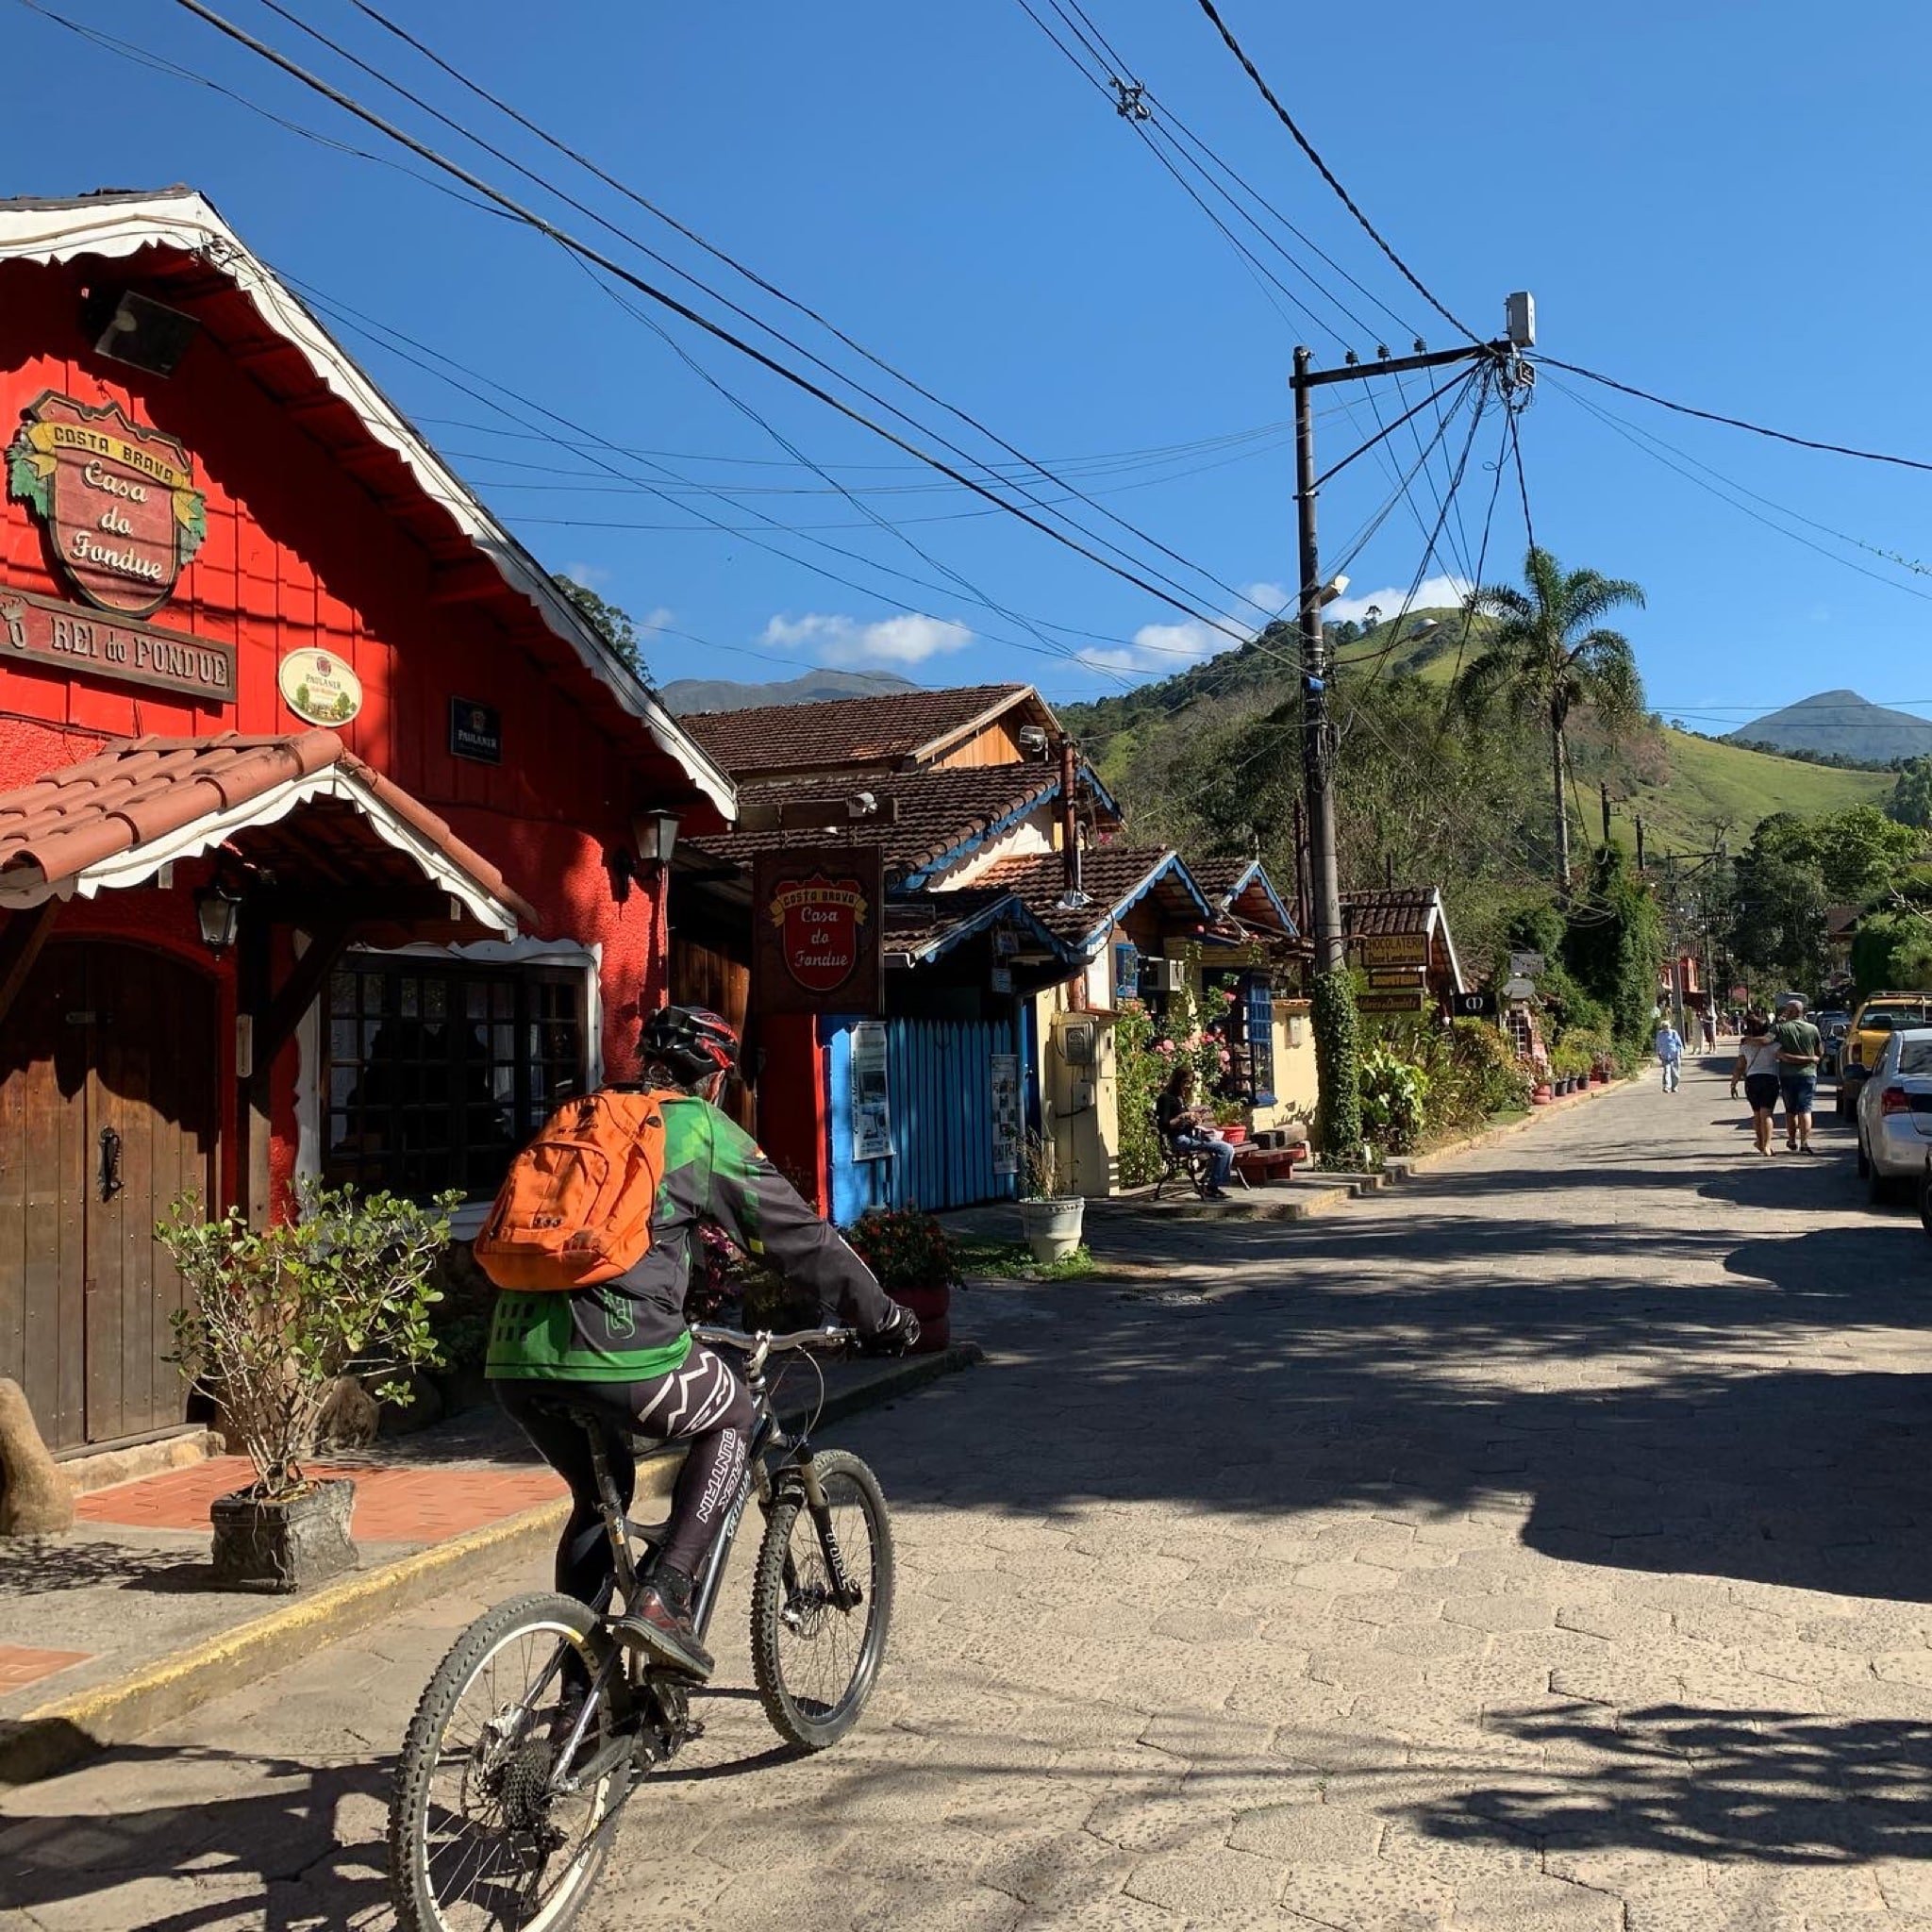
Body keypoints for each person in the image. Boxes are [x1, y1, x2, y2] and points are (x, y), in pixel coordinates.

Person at [487, 1005, 916, 1684]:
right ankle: (666, 1596)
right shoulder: (695, 1129)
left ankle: (581, 1696)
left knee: (602, 1498)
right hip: (620, 1347)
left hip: (515, 1350)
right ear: (714, 1076)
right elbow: (800, 1240)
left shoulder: (581, 1113)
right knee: (736, 1417)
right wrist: (885, 1315)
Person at [1156, 1065, 1236, 1198]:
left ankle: (1211, 1184)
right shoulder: (1166, 1098)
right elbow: (1164, 1125)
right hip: (1179, 1140)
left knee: (1226, 1149)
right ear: (1177, 1081)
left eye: (1190, 1083)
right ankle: (1212, 1186)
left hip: (1190, 1136)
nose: (1187, 1086)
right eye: (1185, 1082)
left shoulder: (1181, 1098)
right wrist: (1182, 1117)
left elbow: (1184, 1122)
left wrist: (1194, 1120)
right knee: (1225, 1149)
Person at [1774, 994, 1824, 1154]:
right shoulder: (1813, 1029)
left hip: (1787, 1074)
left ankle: (1792, 1140)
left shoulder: (1782, 1029)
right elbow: (1820, 1052)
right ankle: (1804, 1142)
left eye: (1787, 1010)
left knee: (1790, 1110)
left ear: (1790, 1012)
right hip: (1808, 1074)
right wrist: (1811, 1058)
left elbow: (1776, 1051)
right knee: (1806, 1109)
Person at [1730, 1009, 1782, 1156]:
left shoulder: (1745, 1046)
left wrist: (1733, 1084)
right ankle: (1767, 1146)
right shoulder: (1774, 1045)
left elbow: (1740, 1067)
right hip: (1770, 1079)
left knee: (1757, 1115)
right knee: (1767, 1114)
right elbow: (1783, 1058)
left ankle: (1760, 1142)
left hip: (1752, 1081)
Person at [1654, 1018, 1684, 1093]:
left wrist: (1680, 1053)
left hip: (1674, 1055)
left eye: (1666, 1026)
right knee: (1667, 1072)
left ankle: (1675, 1086)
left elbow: (1679, 1044)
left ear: (1669, 1026)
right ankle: (1666, 1087)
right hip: (1665, 1056)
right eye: (1664, 1026)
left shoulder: (1674, 1033)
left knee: (1675, 1073)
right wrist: (1658, 1053)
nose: (1665, 1028)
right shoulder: (1660, 1034)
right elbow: (1658, 1044)